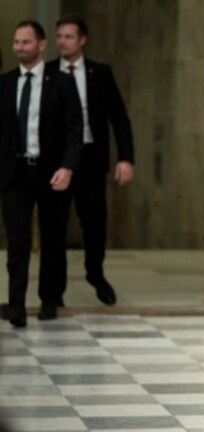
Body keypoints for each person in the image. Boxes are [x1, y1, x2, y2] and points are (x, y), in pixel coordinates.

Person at [47, 16, 134, 306]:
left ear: (82, 39)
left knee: (95, 223)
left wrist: (125, 157)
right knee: (55, 226)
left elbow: (118, 118)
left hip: (91, 161)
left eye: (68, 36)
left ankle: (95, 274)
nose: (62, 42)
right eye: (59, 36)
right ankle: (54, 289)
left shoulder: (100, 73)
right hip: (56, 163)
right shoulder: (47, 74)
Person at [0, 21, 82, 327]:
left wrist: (68, 166)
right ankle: (16, 305)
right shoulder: (5, 84)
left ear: (41, 45)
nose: (19, 47)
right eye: (16, 42)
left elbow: (75, 129)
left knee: (52, 239)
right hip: (14, 175)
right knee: (17, 242)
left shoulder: (61, 81)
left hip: (51, 173)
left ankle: (48, 300)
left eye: (26, 42)